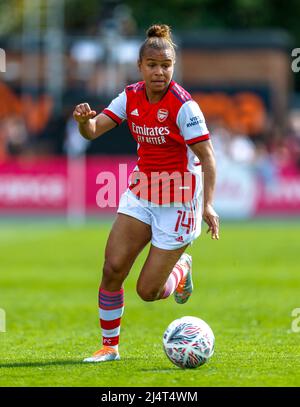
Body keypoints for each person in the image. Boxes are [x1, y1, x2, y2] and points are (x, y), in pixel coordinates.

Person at [73, 24, 219, 363]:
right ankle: (110, 347)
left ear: (173, 66)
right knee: (112, 268)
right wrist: (83, 121)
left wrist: (208, 205)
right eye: (152, 64)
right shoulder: (130, 96)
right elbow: (92, 131)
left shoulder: (184, 106)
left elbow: (208, 158)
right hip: (142, 193)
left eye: (166, 65)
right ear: (140, 66)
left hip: (178, 201)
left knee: (148, 292)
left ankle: (181, 268)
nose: (159, 71)